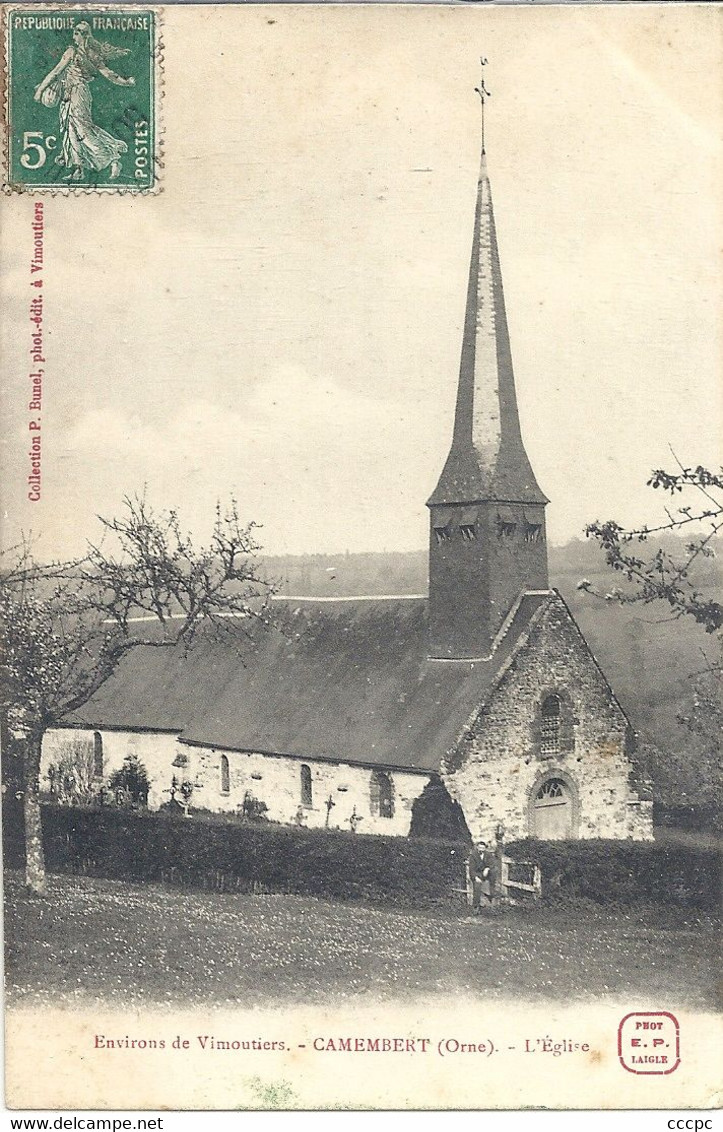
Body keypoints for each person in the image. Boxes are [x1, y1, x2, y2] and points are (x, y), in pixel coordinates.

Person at [33, 22, 135, 182]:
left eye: (77, 32)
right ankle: (78, 169)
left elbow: (55, 72)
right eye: (75, 32)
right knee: (72, 130)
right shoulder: (92, 54)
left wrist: (40, 91)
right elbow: (110, 75)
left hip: (76, 94)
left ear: (82, 35)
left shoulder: (72, 52)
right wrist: (126, 82)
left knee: (81, 130)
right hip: (75, 93)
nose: (75, 35)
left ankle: (112, 159)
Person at [467, 838, 497, 911]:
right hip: (477, 874)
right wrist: (475, 877)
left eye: (483, 848)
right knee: (477, 886)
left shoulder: (488, 854)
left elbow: (492, 863)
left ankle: (491, 894)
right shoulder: (473, 856)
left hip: (486, 873)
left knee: (494, 871)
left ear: (485, 848)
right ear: (477, 847)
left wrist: (487, 868)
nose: (481, 849)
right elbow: (471, 869)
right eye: (480, 847)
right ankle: (476, 906)